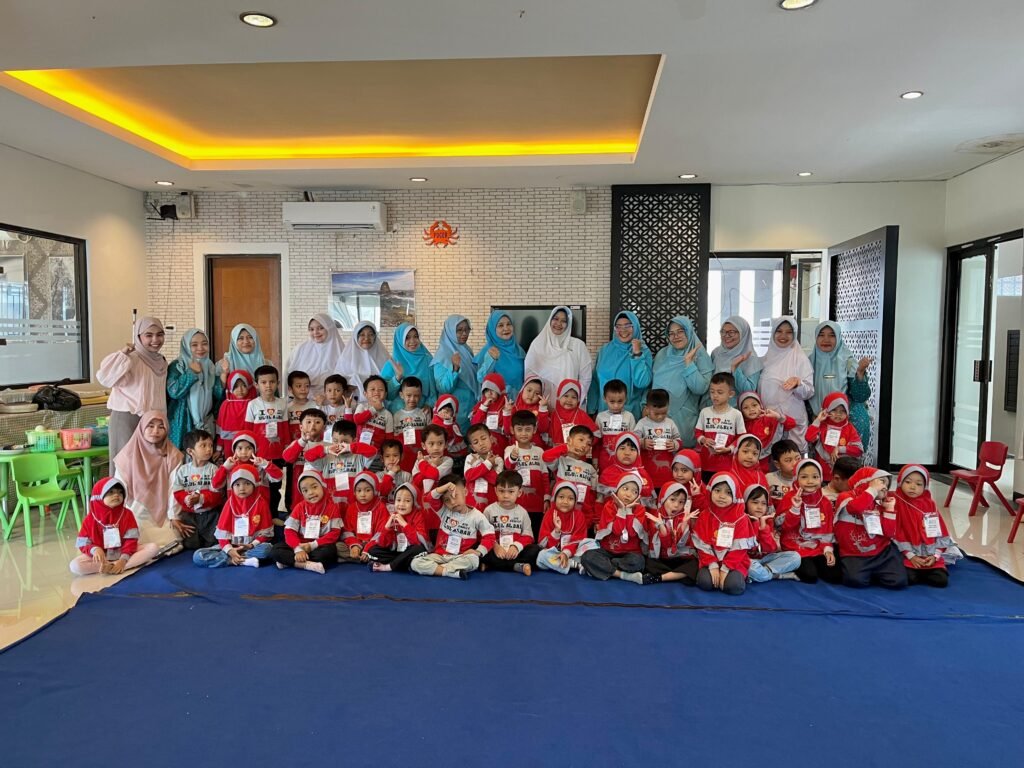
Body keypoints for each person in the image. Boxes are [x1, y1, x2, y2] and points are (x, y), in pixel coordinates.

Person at [97, 315, 168, 460]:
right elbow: (105, 378)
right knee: (125, 463)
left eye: (159, 334)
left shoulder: (161, 361)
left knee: (149, 463)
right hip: (127, 418)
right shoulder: (131, 358)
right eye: (149, 335)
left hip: (152, 420)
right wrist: (122, 354)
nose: (155, 340)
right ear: (138, 337)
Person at [113, 410, 183, 547]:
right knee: (133, 540)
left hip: (162, 511)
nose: (155, 431)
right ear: (142, 428)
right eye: (150, 426)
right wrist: (120, 516)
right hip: (134, 510)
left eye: (161, 427)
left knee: (171, 542)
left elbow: (174, 488)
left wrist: (173, 515)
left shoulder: (173, 455)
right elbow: (119, 488)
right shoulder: (127, 456)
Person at [834, 467, 907, 589]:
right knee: (855, 581)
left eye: (887, 484)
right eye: (881, 482)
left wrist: (889, 509)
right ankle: (872, 573)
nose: (885, 487)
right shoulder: (846, 497)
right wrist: (872, 490)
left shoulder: (880, 504)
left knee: (899, 581)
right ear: (865, 481)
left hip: (882, 553)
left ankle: (874, 572)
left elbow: (889, 533)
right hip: (854, 554)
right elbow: (856, 508)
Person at [70, 478, 160, 576]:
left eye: (120, 492)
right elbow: (83, 543)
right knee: (75, 566)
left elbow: (131, 540)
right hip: (102, 555)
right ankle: (110, 566)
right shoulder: (90, 519)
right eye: (111, 492)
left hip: (123, 551)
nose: (116, 495)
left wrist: (123, 560)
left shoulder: (127, 514)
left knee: (153, 548)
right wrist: (95, 549)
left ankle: (116, 566)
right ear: (99, 495)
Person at [410, 477, 496, 580]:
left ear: (465, 492)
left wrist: (478, 551)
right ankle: (450, 572)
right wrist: (446, 486)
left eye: (455, 495)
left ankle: (438, 570)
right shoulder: (444, 511)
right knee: (415, 563)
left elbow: (490, 536)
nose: (452, 502)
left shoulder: (477, 516)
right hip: (439, 556)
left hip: (461, 557)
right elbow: (430, 498)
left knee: (474, 560)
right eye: (447, 500)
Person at [891, 465, 962, 588]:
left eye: (919, 484)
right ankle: (917, 571)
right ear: (900, 482)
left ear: (925, 486)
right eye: (908, 482)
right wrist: (911, 555)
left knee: (940, 581)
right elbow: (896, 532)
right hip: (907, 554)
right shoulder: (896, 502)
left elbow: (940, 530)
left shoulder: (930, 504)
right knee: (908, 579)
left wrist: (935, 555)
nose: (913, 487)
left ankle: (926, 568)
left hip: (930, 555)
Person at [193, 466, 273, 568]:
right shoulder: (229, 504)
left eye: (247, 483)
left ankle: (238, 559)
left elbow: (266, 533)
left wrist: (252, 545)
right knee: (198, 556)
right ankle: (238, 560)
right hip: (231, 546)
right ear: (232, 486)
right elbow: (222, 535)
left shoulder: (261, 503)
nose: (242, 488)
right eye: (237, 484)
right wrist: (230, 550)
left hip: (251, 547)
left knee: (267, 549)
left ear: (254, 484)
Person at [808, 320, 873, 447]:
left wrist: (860, 373)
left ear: (838, 338)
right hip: (818, 418)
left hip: (845, 421)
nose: (826, 339)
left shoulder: (848, 362)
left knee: (846, 458)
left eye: (832, 335)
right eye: (821, 335)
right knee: (822, 457)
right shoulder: (808, 363)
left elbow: (860, 396)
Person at [652, 315, 713, 448]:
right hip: (658, 415)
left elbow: (700, 388)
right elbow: (652, 384)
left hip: (684, 419)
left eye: (680, 331)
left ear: (689, 331)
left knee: (683, 456)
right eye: (671, 333)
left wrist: (689, 363)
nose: (676, 336)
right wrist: (646, 406)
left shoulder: (700, 356)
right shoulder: (662, 355)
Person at [690, 473, 755, 595]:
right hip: (710, 559)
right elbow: (702, 544)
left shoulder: (741, 518)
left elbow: (739, 549)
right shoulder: (705, 515)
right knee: (705, 583)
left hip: (734, 563)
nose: (722, 496)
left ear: (735, 495)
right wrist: (712, 565)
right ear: (710, 491)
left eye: (728, 492)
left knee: (734, 586)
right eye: (717, 490)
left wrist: (725, 569)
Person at [779, 459, 841, 584]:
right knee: (810, 576)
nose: (810, 481)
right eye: (804, 477)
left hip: (818, 547)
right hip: (795, 546)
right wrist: (795, 509)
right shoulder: (789, 498)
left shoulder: (825, 502)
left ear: (821, 478)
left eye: (815, 477)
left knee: (835, 576)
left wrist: (828, 550)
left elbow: (828, 531)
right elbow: (784, 527)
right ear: (796, 478)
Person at [581, 475, 652, 584]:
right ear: (617, 490)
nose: (628, 494)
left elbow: (632, 533)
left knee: (639, 562)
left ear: (638, 496)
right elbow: (617, 530)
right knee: (587, 557)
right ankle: (623, 575)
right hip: (608, 551)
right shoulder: (609, 506)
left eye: (634, 492)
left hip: (630, 553)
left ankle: (602, 567)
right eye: (625, 489)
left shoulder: (640, 509)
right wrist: (621, 511)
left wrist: (629, 511)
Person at [270, 468, 342, 574]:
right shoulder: (299, 507)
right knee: (275, 551)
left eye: (314, 487)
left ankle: (289, 562)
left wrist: (312, 545)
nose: (311, 492)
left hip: (318, 545)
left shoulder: (332, 508)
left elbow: (334, 533)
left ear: (322, 486)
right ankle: (306, 565)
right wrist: (298, 549)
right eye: (305, 490)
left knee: (329, 552)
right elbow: (289, 531)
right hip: (299, 544)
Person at [759, 317, 814, 452]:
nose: (783, 336)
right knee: (769, 457)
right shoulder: (765, 359)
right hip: (769, 419)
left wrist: (798, 383)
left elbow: (809, 392)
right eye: (779, 331)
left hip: (792, 420)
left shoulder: (800, 359)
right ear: (773, 332)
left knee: (791, 459)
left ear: (794, 334)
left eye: (789, 332)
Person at [524, 306, 593, 407]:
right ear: (550, 320)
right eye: (555, 319)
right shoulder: (538, 344)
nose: (559, 323)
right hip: (542, 404)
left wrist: (576, 399)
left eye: (563, 321)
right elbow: (529, 375)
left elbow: (586, 377)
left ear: (568, 323)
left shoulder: (578, 345)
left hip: (568, 405)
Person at [166, 328, 223, 450]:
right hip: (183, 420)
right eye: (194, 345)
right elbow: (174, 391)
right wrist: (191, 372)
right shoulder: (177, 366)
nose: (200, 348)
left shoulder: (209, 366)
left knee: (203, 457)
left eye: (204, 343)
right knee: (183, 457)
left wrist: (223, 377)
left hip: (205, 421)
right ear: (186, 346)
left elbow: (216, 394)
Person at [590, 311, 653, 419]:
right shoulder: (605, 350)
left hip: (630, 414)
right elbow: (595, 381)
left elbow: (642, 383)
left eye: (628, 325)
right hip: (604, 414)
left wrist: (637, 354)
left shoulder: (644, 351)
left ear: (635, 327)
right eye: (618, 326)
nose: (623, 330)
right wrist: (591, 410)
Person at [245, 364, 288, 518]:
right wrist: (249, 451)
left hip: (277, 454)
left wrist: (286, 449)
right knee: (259, 486)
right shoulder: (252, 404)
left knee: (276, 486)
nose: (268, 385)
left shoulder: (282, 403)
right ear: (256, 385)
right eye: (263, 382)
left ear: (277, 383)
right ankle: (259, 515)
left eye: (272, 382)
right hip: (259, 455)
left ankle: (274, 515)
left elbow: (285, 428)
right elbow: (248, 430)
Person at [169, 429, 223, 550]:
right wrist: (186, 498)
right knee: (191, 545)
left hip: (210, 514)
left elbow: (218, 494)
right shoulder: (183, 470)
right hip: (190, 515)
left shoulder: (214, 469)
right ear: (190, 451)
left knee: (213, 542)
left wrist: (201, 498)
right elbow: (177, 491)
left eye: (211, 445)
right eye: (203, 446)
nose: (209, 449)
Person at [481, 470, 539, 576]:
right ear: (495, 491)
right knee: (479, 548)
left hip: (515, 553)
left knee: (535, 550)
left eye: (511, 491)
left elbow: (529, 536)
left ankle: (492, 565)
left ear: (519, 492)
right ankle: (517, 566)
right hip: (496, 550)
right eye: (501, 491)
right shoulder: (489, 510)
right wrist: (495, 546)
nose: (506, 496)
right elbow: (483, 534)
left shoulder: (522, 512)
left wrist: (516, 546)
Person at [643, 482, 700, 584]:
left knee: (694, 565)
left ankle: (661, 578)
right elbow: (666, 545)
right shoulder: (655, 517)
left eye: (681, 502)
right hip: (662, 558)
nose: (676, 505)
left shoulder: (686, 517)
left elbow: (680, 545)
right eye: (672, 499)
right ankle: (676, 576)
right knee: (648, 564)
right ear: (663, 499)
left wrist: (683, 524)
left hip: (681, 557)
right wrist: (662, 527)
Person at [367, 482, 431, 573]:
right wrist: (387, 528)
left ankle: (388, 567)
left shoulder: (418, 516)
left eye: (407, 501)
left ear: (414, 502)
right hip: (398, 552)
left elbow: (418, 542)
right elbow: (382, 544)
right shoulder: (393, 516)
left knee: (419, 549)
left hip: (410, 550)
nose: (401, 504)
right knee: (373, 550)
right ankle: (402, 563)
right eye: (398, 500)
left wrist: (404, 524)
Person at [542, 425, 599, 527]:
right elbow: (546, 456)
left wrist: (591, 518)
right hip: (559, 515)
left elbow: (592, 495)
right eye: (581, 440)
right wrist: (567, 448)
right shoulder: (561, 461)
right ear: (569, 440)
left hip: (582, 518)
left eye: (588, 444)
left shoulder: (590, 468)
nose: (584, 445)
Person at [535, 482, 596, 575]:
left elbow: (579, 539)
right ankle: (574, 565)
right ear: (555, 498)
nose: (565, 502)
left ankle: (564, 563)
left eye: (570, 498)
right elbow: (543, 544)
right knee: (541, 556)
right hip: (555, 553)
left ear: (575, 501)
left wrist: (566, 553)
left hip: (574, 552)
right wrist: (556, 531)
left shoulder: (579, 515)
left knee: (592, 544)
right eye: (561, 497)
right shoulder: (549, 514)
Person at [503, 410, 549, 533]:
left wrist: (546, 498)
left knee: (535, 533)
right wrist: (513, 457)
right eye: (519, 429)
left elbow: (545, 477)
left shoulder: (539, 451)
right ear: (512, 430)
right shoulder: (510, 449)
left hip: (537, 505)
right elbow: (508, 466)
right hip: (517, 504)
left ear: (534, 430)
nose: (523, 433)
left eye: (528, 429)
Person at [744, 484, 801, 583]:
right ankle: (777, 575)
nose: (759, 507)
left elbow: (771, 549)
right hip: (748, 560)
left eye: (763, 503)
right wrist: (754, 525)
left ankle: (763, 573)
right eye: (755, 502)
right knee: (749, 567)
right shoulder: (741, 520)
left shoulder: (768, 520)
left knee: (795, 557)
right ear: (745, 503)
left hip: (766, 559)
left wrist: (763, 528)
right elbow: (745, 549)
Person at [431, 315, 478, 434]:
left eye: (467, 329)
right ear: (450, 331)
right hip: (454, 412)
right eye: (459, 330)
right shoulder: (442, 355)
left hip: (471, 409)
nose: (464, 333)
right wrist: (455, 368)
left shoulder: (466, 350)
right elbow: (443, 388)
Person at [694, 372, 746, 478]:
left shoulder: (736, 414)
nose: (715, 395)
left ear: (731, 394)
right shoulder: (704, 412)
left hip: (727, 465)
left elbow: (742, 437)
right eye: (712, 392)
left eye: (720, 392)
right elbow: (698, 432)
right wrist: (703, 440)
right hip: (706, 464)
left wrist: (729, 449)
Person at [284, 313, 345, 400]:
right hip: (303, 400)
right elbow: (288, 374)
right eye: (311, 329)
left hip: (332, 401)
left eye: (320, 328)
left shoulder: (341, 351)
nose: (315, 332)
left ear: (330, 328)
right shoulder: (300, 349)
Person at [805, 392, 864, 481]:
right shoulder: (821, 426)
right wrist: (818, 420)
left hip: (844, 477)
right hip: (823, 475)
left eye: (842, 411)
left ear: (847, 412)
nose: (838, 414)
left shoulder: (849, 428)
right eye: (834, 410)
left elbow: (858, 450)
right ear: (826, 410)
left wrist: (839, 449)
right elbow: (809, 438)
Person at [338, 471, 392, 564]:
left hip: (373, 544)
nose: (363, 494)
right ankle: (364, 558)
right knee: (337, 547)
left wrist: (368, 547)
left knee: (379, 549)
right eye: (359, 491)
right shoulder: (352, 507)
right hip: (357, 543)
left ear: (374, 490)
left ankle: (360, 557)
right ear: (354, 492)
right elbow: (347, 531)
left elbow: (382, 532)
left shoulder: (381, 507)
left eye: (367, 490)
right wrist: (354, 545)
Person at [381, 323, 437, 410]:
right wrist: (397, 378)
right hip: (397, 412)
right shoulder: (392, 364)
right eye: (407, 337)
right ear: (400, 340)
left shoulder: (427, 359)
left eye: (416, 336)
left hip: (421, 412)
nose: (413, 341)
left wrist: (429, 404)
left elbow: (434, 389)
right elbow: (386, 396)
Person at [635, 388, 682, 490]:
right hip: (646, 469)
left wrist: (674, 444)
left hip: (667, 471)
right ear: (647, 409)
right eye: (656, 414)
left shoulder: (670, 423)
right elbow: (634, 441)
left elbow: (678, 439)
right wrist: (642, 443)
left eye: (664, 413)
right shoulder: (642, 423)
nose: (660, 417)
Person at [473, 311, 526, 397]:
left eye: (509, 324)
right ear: (492, 329)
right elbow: (481, 379)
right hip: (498, 401)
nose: (506, 328)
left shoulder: (518, 350)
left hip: (519, 400)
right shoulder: (488, 350)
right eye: (500, 325)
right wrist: (491, 360)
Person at [738, 391, 794, 472]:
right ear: (741, 411)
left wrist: (778, 416)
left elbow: (792, 424)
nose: (751, 409)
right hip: (748, 462)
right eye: (746, 407)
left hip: (770, 461)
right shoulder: (740, 424)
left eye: (754, 405)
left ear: (760, 405)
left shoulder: (769, 418)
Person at [710, 316, 763, 399]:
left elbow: (749, 392)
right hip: (713, 404)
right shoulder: (716, 353)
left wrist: (735, 368)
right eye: (723, 332)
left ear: (743, 334)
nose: (726, 336)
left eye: (731, 332)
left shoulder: (751, 358)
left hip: (736, 406)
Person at [337, 320, 390, 401]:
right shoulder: (346, 358)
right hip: (352, 403)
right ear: (356, 337)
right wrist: (349, 383)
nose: (366, 338)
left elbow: (389, 381)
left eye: (371, 334)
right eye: (362, 335)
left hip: (379, 403)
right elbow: (337, 382)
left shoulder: (384, 357)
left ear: (375, 337)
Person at [594, 379, 637, 472]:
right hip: (605, 460)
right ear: (604, 398)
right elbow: (597, 442)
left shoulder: (629, 416)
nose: (616, 406)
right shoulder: (600, 417)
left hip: (625, 461)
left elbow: (634, 442)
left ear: (626, 398)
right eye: (612, 402)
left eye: (620, 401)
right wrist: (595, 459)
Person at [392, 377, 431, 472]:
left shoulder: (425, 413)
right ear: (401, 395)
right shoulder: (396, 416)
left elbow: (430, 435)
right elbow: (394, 438)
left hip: (422, 456)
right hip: (404, 457)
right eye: (408, 395)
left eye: (416, 395)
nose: (412, 399)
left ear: (421, 395)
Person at [549, 379, 600, 447]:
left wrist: (585, 445)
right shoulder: (553, 414)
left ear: (578, 400)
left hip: (577, 451)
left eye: (574, 397)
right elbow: (545, 431)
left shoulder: (582, 415)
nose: (569, 400)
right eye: (566, 396)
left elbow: (595, 434)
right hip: (557, 450)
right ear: (559, 396)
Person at [502, 377, 551, 447]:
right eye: (529, 390)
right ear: (522, 390)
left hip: (535, 448)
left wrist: (543, 409)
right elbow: (508, 432)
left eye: (537, 393)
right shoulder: (514, 408)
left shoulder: (541, 410)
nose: (531, 395)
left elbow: (543, 429)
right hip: (516, 449)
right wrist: (507, 413)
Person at [464, 424, 503, 511]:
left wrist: (478, 465)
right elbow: (468, 476)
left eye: (484, 438)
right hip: (471, 503)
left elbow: (497, 481)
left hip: (491, 505)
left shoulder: (498, 460)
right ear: (472, 447)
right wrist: (488, 464)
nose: (481, 443)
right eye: (476, 442)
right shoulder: (470, 457)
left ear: (491, 439)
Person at [216, 370, 254, 457]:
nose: (240, 390)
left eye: (244, 385)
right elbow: (220, 429)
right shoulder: (226, 404)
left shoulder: (253, 404)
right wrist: (219, 447)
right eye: (235, 386)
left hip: (248, 443)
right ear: (230, 387)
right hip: (229, 445)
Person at [470, 373, 511, 455]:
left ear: (500, 391)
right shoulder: (481, 405)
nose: (489, 393)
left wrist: (507, 413)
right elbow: (474, 425)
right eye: (486, 390)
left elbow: (508, 431)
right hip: (483, 446)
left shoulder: (507, 406)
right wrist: (483, 407)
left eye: (493, 390)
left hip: (500, 446)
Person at [766, 439, 801, 505]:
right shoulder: (768, 479)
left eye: (798, 458)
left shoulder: (806, 480)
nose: (795, 463)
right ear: (777, 464)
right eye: (788, 460)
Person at [285, 371, 313, 442]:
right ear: (290, 389)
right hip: (293, 445)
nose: (303, 389)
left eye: (307, 386)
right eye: (299, 386)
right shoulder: (287, 408)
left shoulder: (315, 406)